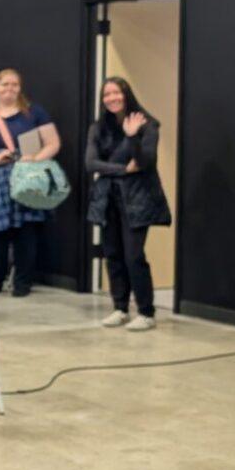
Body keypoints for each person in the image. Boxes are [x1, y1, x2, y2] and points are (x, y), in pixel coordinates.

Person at [0, 68, 61, 296]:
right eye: (5, 84)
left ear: (20, 88)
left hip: (26, 177)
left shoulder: (34, 113)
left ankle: (23, 283)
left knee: (26, 231)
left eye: (14, 84)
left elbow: (53, 143)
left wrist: (34, 158)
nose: (10, 89)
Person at [86, 77, 171, 331]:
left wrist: (132, 137)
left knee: (134, 255)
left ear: (126, 94)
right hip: (108, 199)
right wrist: (123, 169)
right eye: (106, 95)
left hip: (138, 200)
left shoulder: (147, 124)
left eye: (116, 93)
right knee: (112, 254)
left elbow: (145, 162)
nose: (111, 98)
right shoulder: (98, 128)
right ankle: (120, 308)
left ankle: (146, 312)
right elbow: (90, 164)